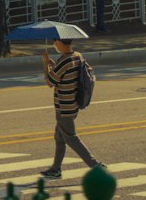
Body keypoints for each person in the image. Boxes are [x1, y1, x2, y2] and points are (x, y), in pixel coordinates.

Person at [39, 38, 103, 179]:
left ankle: (95, 165)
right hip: (73, 104)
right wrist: (53, 65)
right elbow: (67, 74)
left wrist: (45, 63)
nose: (55, 45)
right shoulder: (77, 56)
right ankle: (56, 169)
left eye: (56, 42)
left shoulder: (64, 60)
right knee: (59, 137)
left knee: (71, 138)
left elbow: (50, 82)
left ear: (61, 43)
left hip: (64, 106)